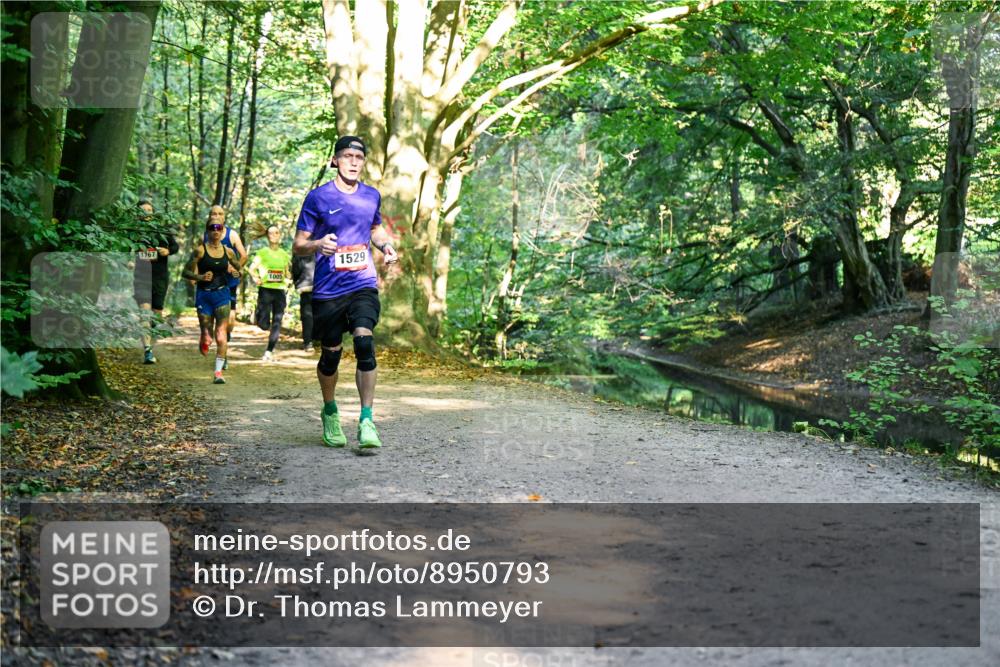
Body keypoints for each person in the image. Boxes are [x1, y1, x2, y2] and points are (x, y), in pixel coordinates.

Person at [293, 135, 398, 449]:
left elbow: (374, 228)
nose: (353, 162)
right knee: (331, 356)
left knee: (365, 342)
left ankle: (366, 420)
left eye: (359, 157)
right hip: (328, 291)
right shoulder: (318, 198)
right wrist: (317, 244)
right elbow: (298, 245)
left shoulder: (371, 196)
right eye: (347, 156)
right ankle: (330, 411)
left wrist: (386, 245)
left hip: (362, 283)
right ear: (335, 161)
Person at [184, 219, 242, 384]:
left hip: (222, 294)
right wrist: (200, 277)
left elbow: (239, 268)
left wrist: (236, 272)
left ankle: (218, 372)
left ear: (222, 231)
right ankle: (204, 336)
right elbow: (185, 272)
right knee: (207, 333)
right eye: (212, 228)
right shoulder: (200, 251)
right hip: (204, 295)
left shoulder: (228, 252)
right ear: (207, 231)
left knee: (221, 334)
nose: (215, 230)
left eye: (219, 228)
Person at [132, 200, 179, 364]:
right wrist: (154, 254)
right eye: (143, 210)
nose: (146, 212)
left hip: (160, 278)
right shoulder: (133, 232)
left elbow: (175, 247)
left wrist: (167, 251)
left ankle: (150, 337)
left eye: (149, 210)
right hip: (142, 277)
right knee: (145, 313)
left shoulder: (162, 230)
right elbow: (132, 254)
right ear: (137, 214)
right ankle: (147, 350)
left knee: (156, 315)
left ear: (153, 213)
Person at [202, 206, 247, 358]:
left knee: (229, 322)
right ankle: (221, 350)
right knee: (212, 321)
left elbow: (243, 256)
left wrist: (234, 267)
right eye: (214, 213)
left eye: (220, 213)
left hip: (229, 282)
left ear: (224, 217)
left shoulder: (231, 234)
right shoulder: (205, 235)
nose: (217, 216)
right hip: (211, 284)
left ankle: (224, 340)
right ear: (210, 216)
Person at [249, 225, 291, 361]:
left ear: (280, 235)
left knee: (277, 322)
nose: (274, 235)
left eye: (276, 233)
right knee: (264, 325)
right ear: (267, 236)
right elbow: (251, 269)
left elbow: (287, 272)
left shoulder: (284, 254)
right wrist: (256, 278)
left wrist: (289, 278)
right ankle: (258, 314)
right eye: (271, 233)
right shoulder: (262, 252)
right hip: (266, 290)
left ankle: (269, 351)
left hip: (279, 291)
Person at [291, 253, 316, 351]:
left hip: (306, 287)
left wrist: (296, 282)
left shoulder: (300, 251)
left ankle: (308, 343)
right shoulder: (323, 248)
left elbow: (296, 270)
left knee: (307, 316)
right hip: (322, 287)